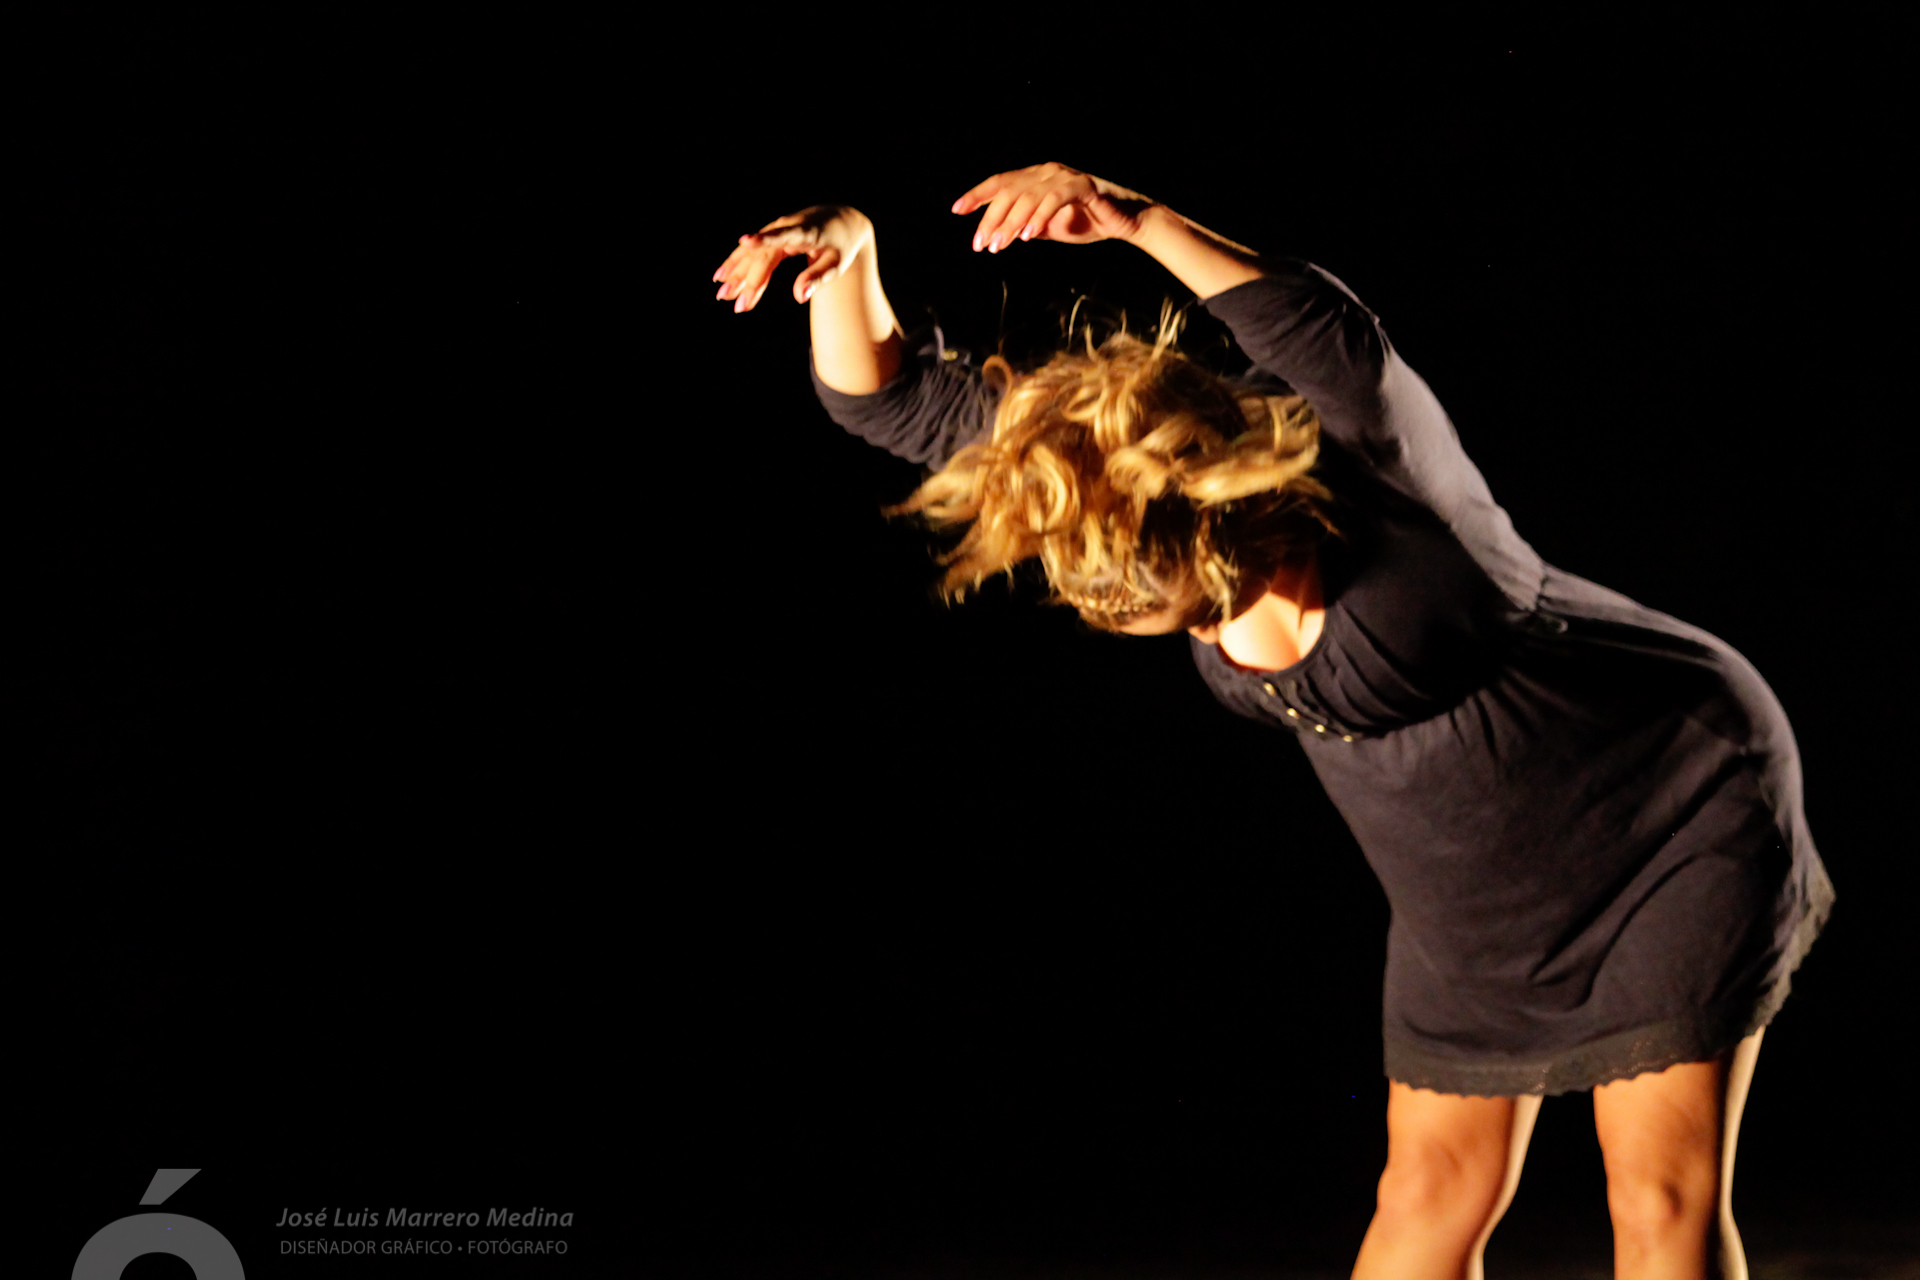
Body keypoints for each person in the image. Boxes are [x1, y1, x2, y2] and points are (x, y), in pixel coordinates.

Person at [710, 162, 1834, 1280]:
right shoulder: (1095, 472)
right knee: (1426, 1195)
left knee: (1658, 1197)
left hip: (1666, 805)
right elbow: (892, 398)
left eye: (1135, 585)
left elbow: (1325, 328)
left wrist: (1142, 222)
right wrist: (850, 260)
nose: (1106, 599)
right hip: (1470, 894)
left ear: (1203, 519)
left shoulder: (1381, 473)